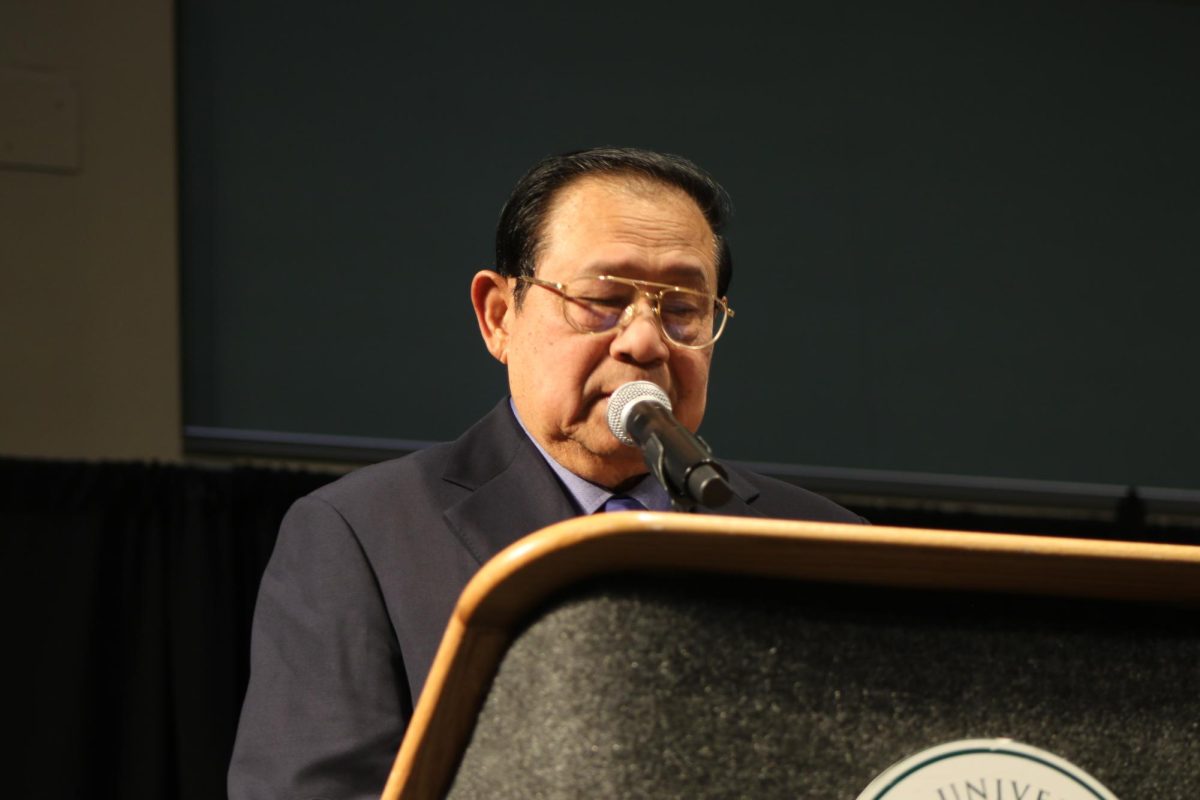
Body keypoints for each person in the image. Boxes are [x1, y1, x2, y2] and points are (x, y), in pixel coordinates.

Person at [227, 147, 864, 799]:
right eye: (602, 299)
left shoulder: (826, 543)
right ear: (499, 316)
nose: (644, 342)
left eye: (682, 308)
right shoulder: (363, 536)